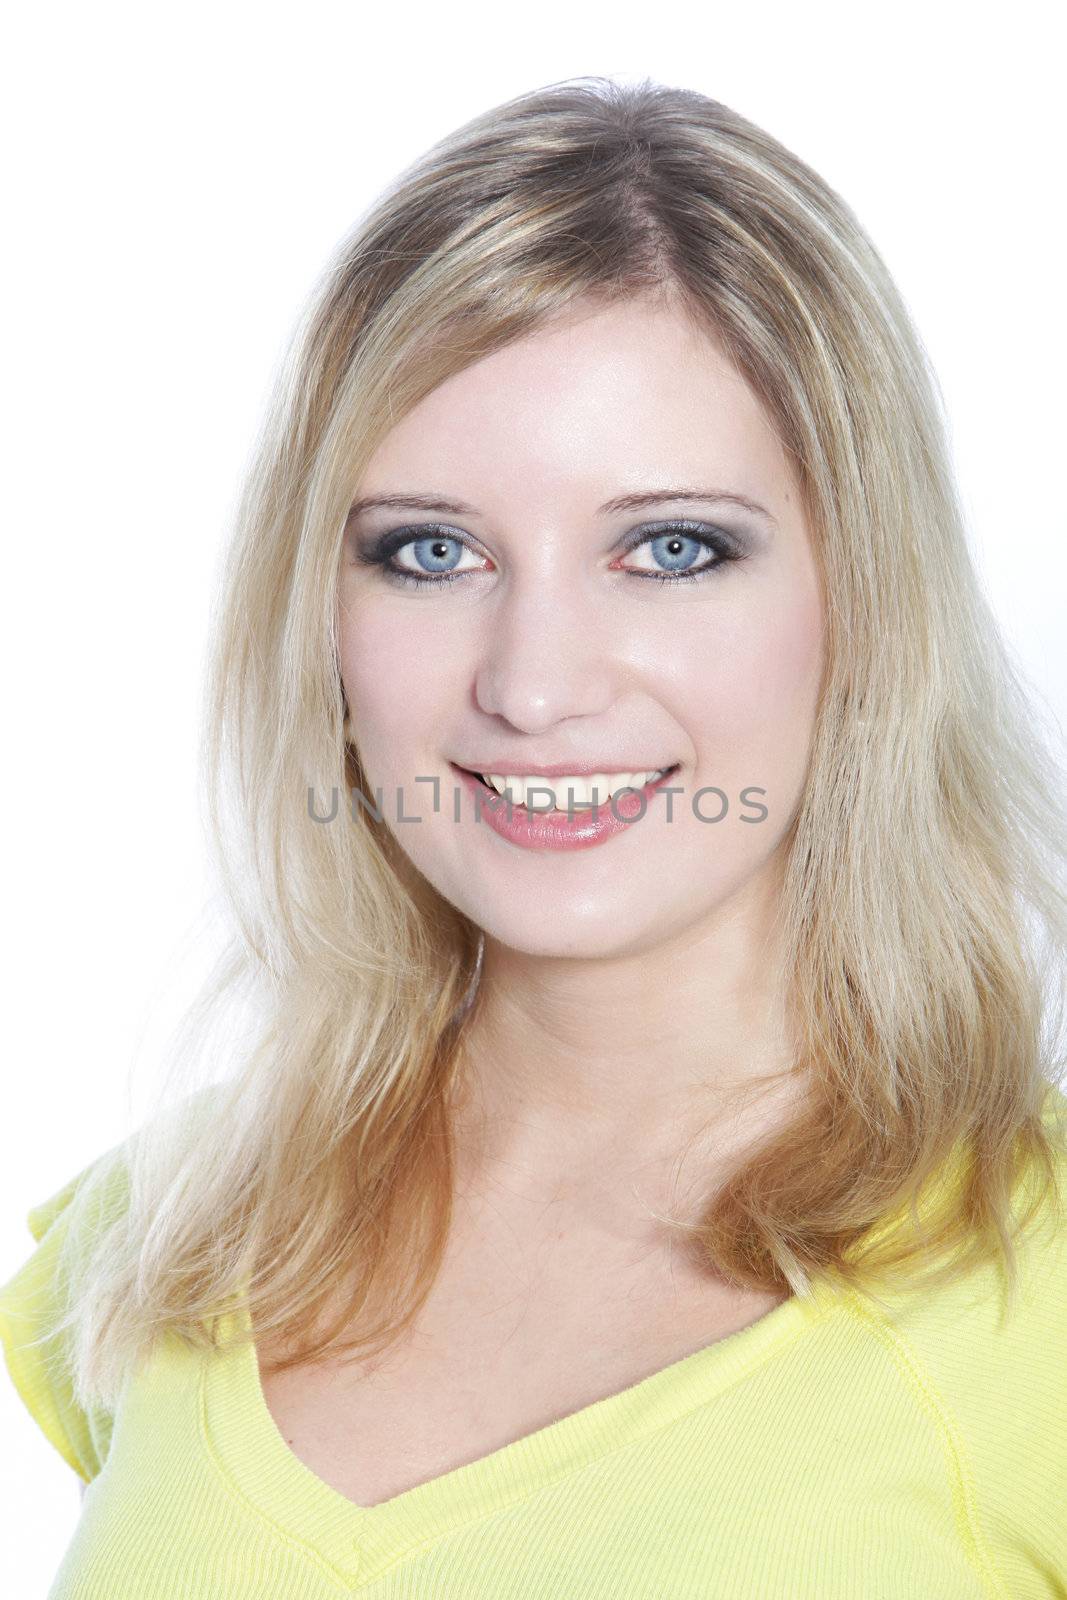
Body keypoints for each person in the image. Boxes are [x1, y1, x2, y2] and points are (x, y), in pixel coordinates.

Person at [2, 74, 1065, 1599]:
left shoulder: (1041, 1307)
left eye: (671, 548)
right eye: (430, 553)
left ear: (860, 601)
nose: (535, 683)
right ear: (322, 613)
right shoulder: (172, 1234)